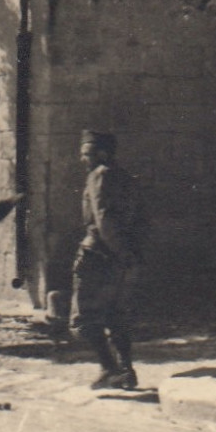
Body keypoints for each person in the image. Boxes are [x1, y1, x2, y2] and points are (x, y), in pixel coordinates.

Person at [72, 130, 147, 390]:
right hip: (120, 255)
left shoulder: (99, 176)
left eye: (87, 154)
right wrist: (129, 253)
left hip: (97, 255)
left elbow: (103, 218)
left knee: (82, 318)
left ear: (102, 153)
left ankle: (109, 368)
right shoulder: (126, 177)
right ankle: (126, 370)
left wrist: (119, 251)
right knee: (116, 314)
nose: (83, 159)